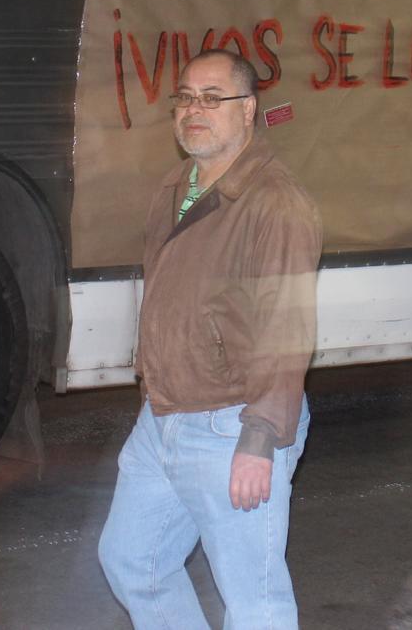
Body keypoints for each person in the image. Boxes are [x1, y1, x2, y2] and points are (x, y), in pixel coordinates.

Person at [98, 49, 322, 629]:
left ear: (248, 110)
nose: (194, 110)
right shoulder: (177, 187)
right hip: (165, 413)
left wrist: (260, 436)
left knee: (254, 598)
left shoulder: (275, 201)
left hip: (232, 420)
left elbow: (287, 326)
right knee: (134, 561)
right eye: (185, 97)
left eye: (212, 98)